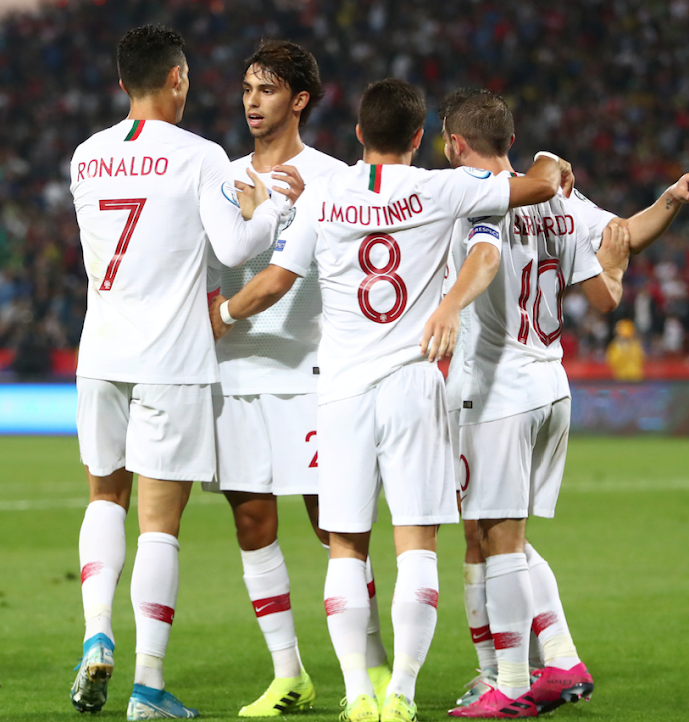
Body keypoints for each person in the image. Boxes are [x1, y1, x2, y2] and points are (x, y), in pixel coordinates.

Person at [210, 78, 566, 722]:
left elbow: (276, 281)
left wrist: (226, 312)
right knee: (417, 547)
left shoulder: (327, 194)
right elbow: (537, 186)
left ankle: (356, 695)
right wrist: (549, 164)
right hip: (415, 382)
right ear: (420, 138)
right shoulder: (441, 188)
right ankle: (400, 692)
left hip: (341, 390)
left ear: (357, 136)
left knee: (345, 545)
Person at [435, 89, 689, 718]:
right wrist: (670, 199)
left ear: (454, 144)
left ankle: (513, 681)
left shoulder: (463, 196)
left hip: (497, 389)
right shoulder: (558, 198)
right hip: (551, 387)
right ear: (509, 139)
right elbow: (622, 235)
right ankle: (550, 660)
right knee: (490, 533)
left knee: (499, 537)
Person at [69, 25, 302, 721]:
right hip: (171, 357)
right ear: (177, 80)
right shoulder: (201, 156)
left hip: (100, 351)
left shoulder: (85, 157)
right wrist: (276, 210)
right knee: (159, 526)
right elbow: (235, 248)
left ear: (121, 85)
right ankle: (146, 685)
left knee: (103, 500)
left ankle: (95, 633)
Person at [204, 40, 390, 717]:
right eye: (248, 88)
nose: (253, 101)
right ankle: (290, 675)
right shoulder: (221, 177)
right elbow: (211, 261)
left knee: (333, 528)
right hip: (236, 373)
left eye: (268, 89)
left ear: (300, 99)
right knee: (253, 522)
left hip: (312, 373)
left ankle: (368, 673)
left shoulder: (335, 178)